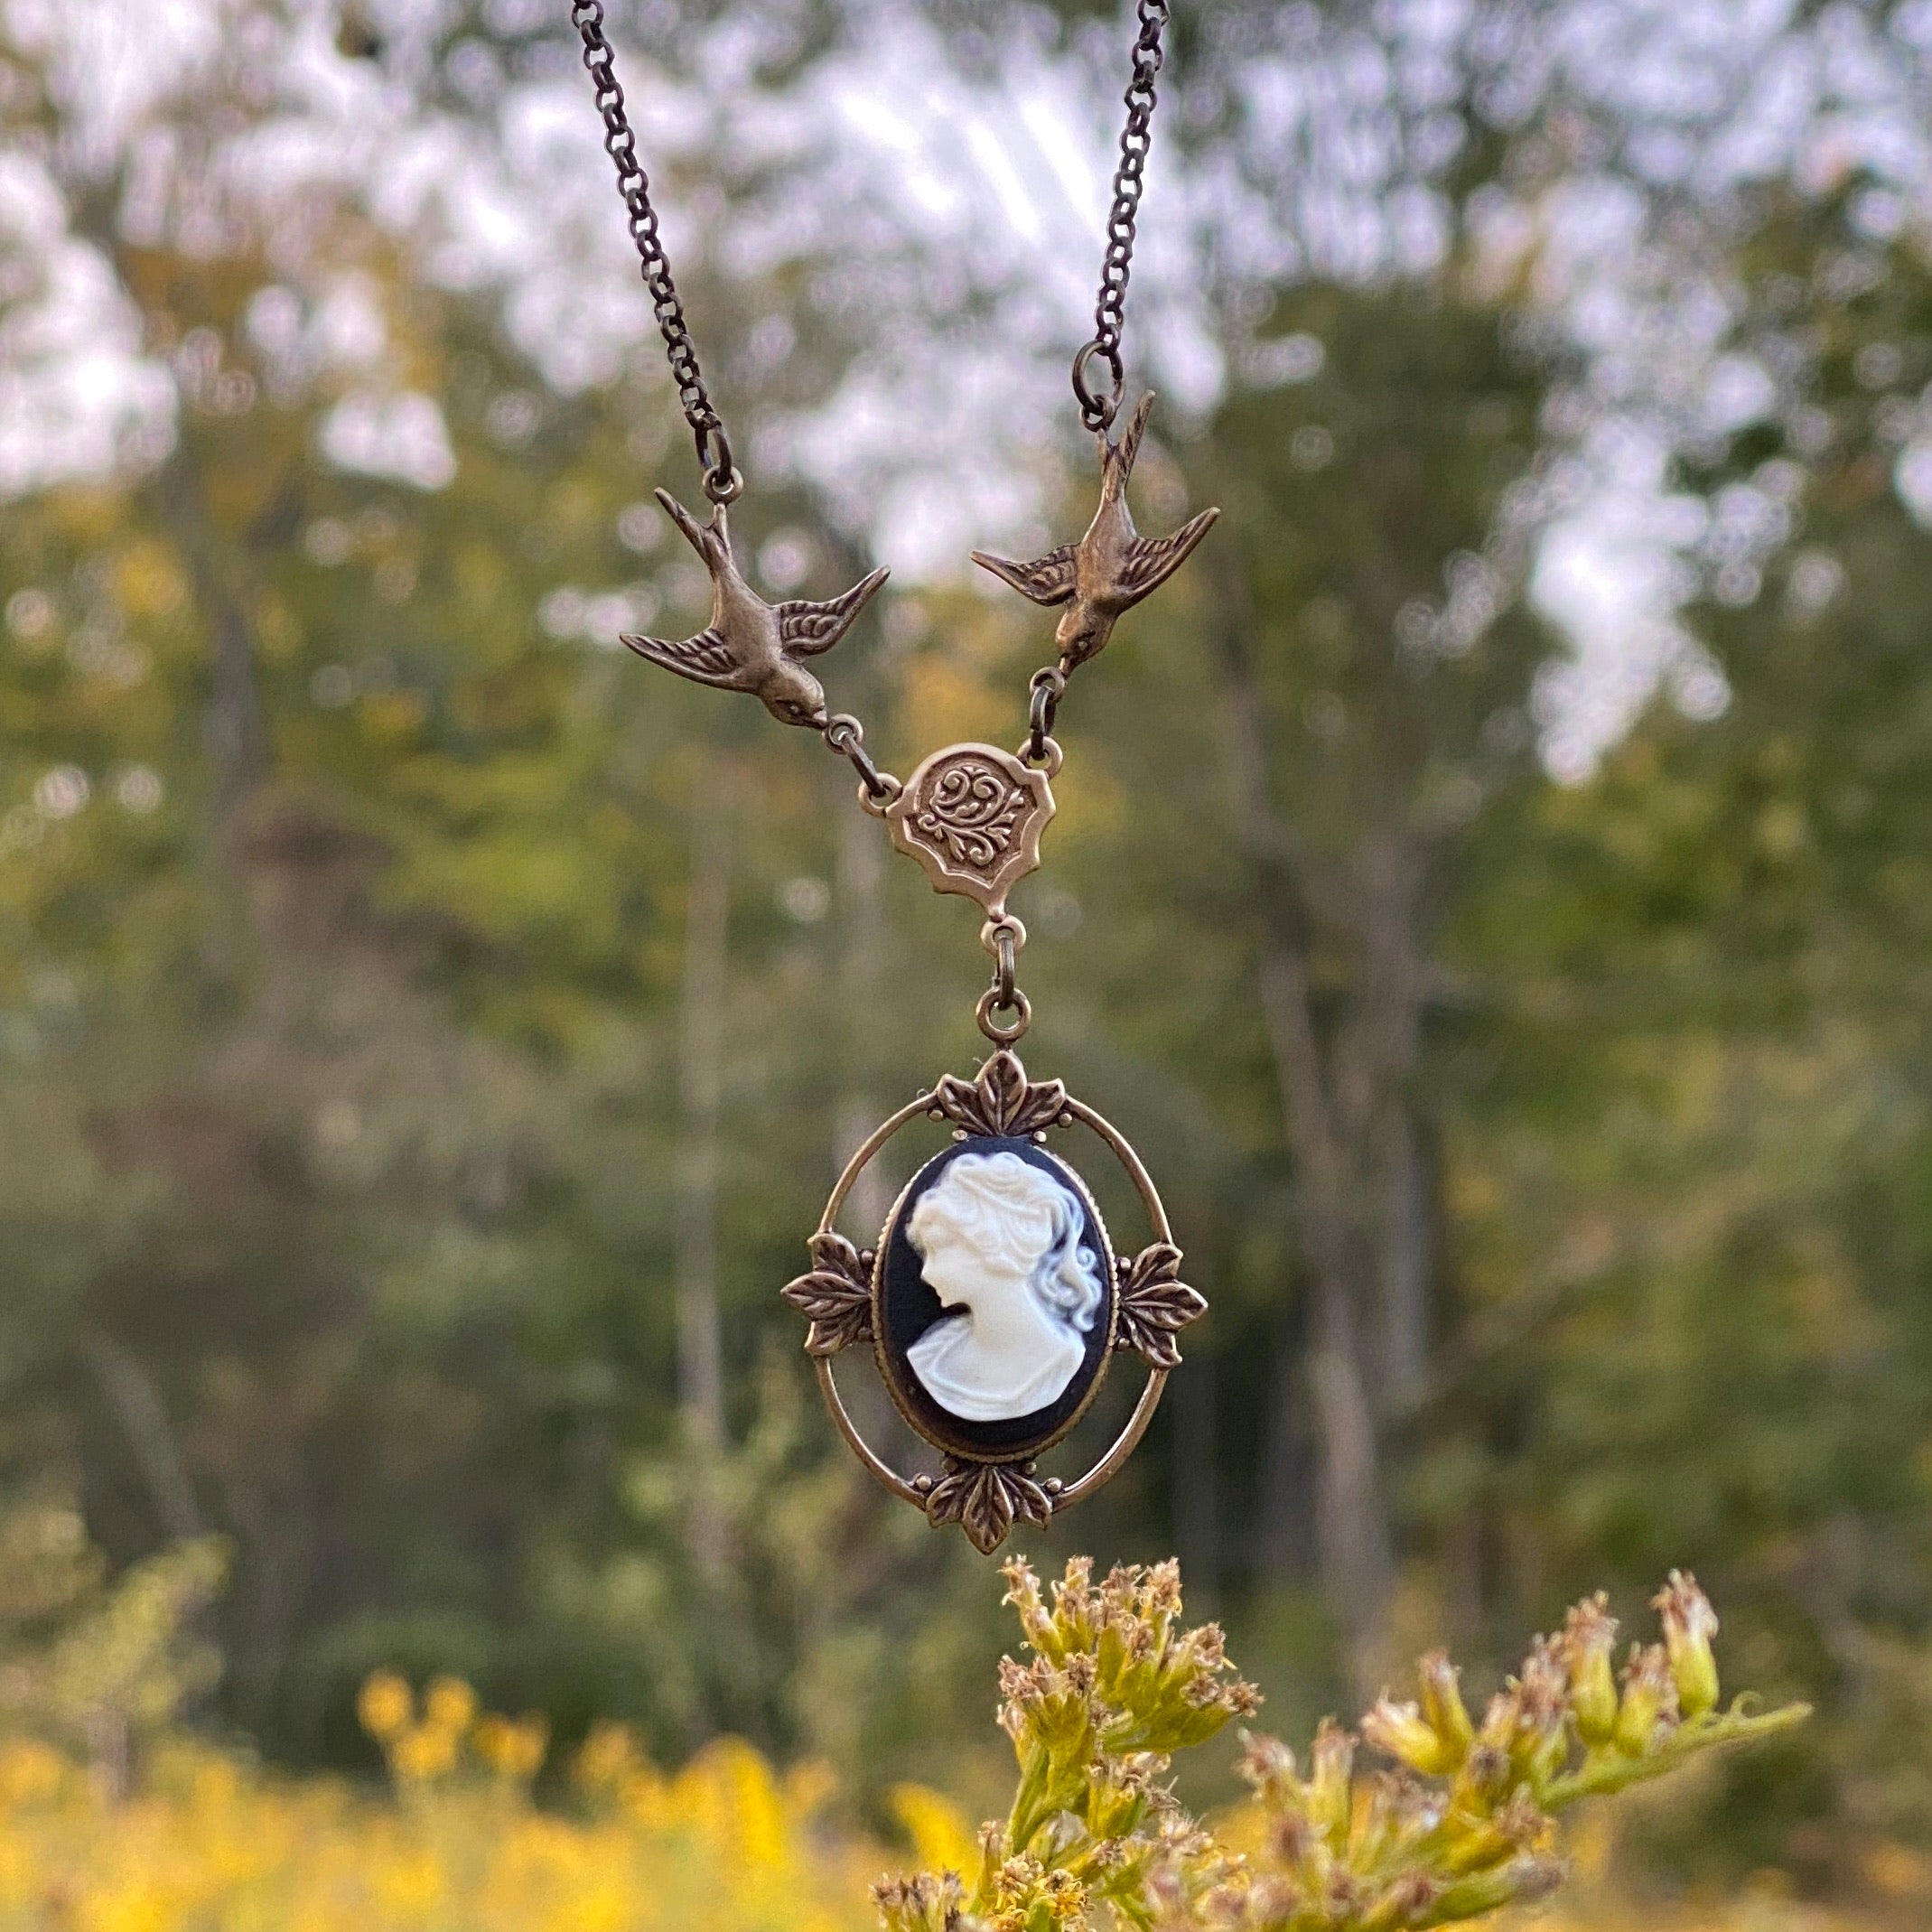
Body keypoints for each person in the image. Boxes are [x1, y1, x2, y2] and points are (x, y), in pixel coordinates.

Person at [904, 1150, 1105, 1421]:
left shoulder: (1061, 1361)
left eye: (938, 1249)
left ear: (993, 1243)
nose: (926, 1273)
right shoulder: (931, 1357)